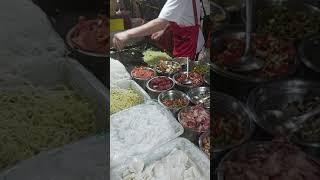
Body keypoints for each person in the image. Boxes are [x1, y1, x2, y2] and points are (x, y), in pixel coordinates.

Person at [112, 0, 205, 60]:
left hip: (190, 43)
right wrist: (164, 28)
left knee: (184, 75)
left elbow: (160, 22)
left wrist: (127, 34)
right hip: (187, 37)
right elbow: (179, 14)